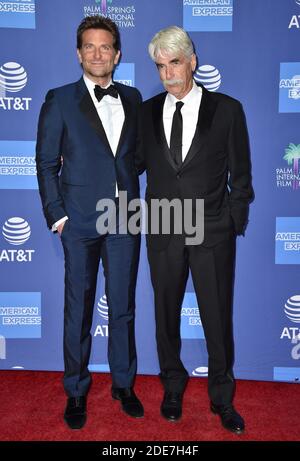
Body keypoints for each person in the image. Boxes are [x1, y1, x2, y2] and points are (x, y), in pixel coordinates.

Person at [136, 26, 254, 434]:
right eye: (160, 65)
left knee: (217, 318)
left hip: (212, 231)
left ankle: (222, 396)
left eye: (175, 63)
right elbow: (131, 164)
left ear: (193, 61)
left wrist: (232, 222)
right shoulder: (146, 111)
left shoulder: (227, 109)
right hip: (164, 228)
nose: (168, 73)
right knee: (165, 315)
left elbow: (241, 174)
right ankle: (173, 384)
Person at [36, 15, 143, 430]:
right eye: (90, 47)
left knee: (123, 307)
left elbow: (135, 159)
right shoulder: (59, 99)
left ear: (117, 54)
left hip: (125, 217)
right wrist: (58, 215)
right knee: (78, 309)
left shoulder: (133, 99)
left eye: (106, 47)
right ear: (78, 53)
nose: (98, 54)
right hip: (78, 221)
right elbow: (45, 164)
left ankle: (123, 384)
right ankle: (76, 390)